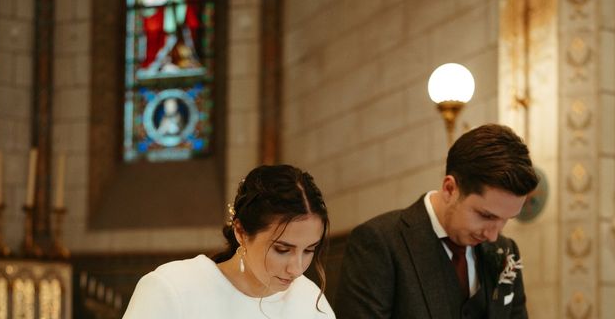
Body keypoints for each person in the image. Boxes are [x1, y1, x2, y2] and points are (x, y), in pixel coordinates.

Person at [334, 124, 539, 319]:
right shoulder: (380, 243)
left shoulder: (506, 251)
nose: (493, 235)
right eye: (486, 216)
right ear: (450, 189)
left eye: (506, 220)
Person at [123, 164, 336, 318]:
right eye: (282, 249)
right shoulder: (173, 288)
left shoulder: (309, 300)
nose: (297, 268)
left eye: (309, 250)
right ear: (241, 232)